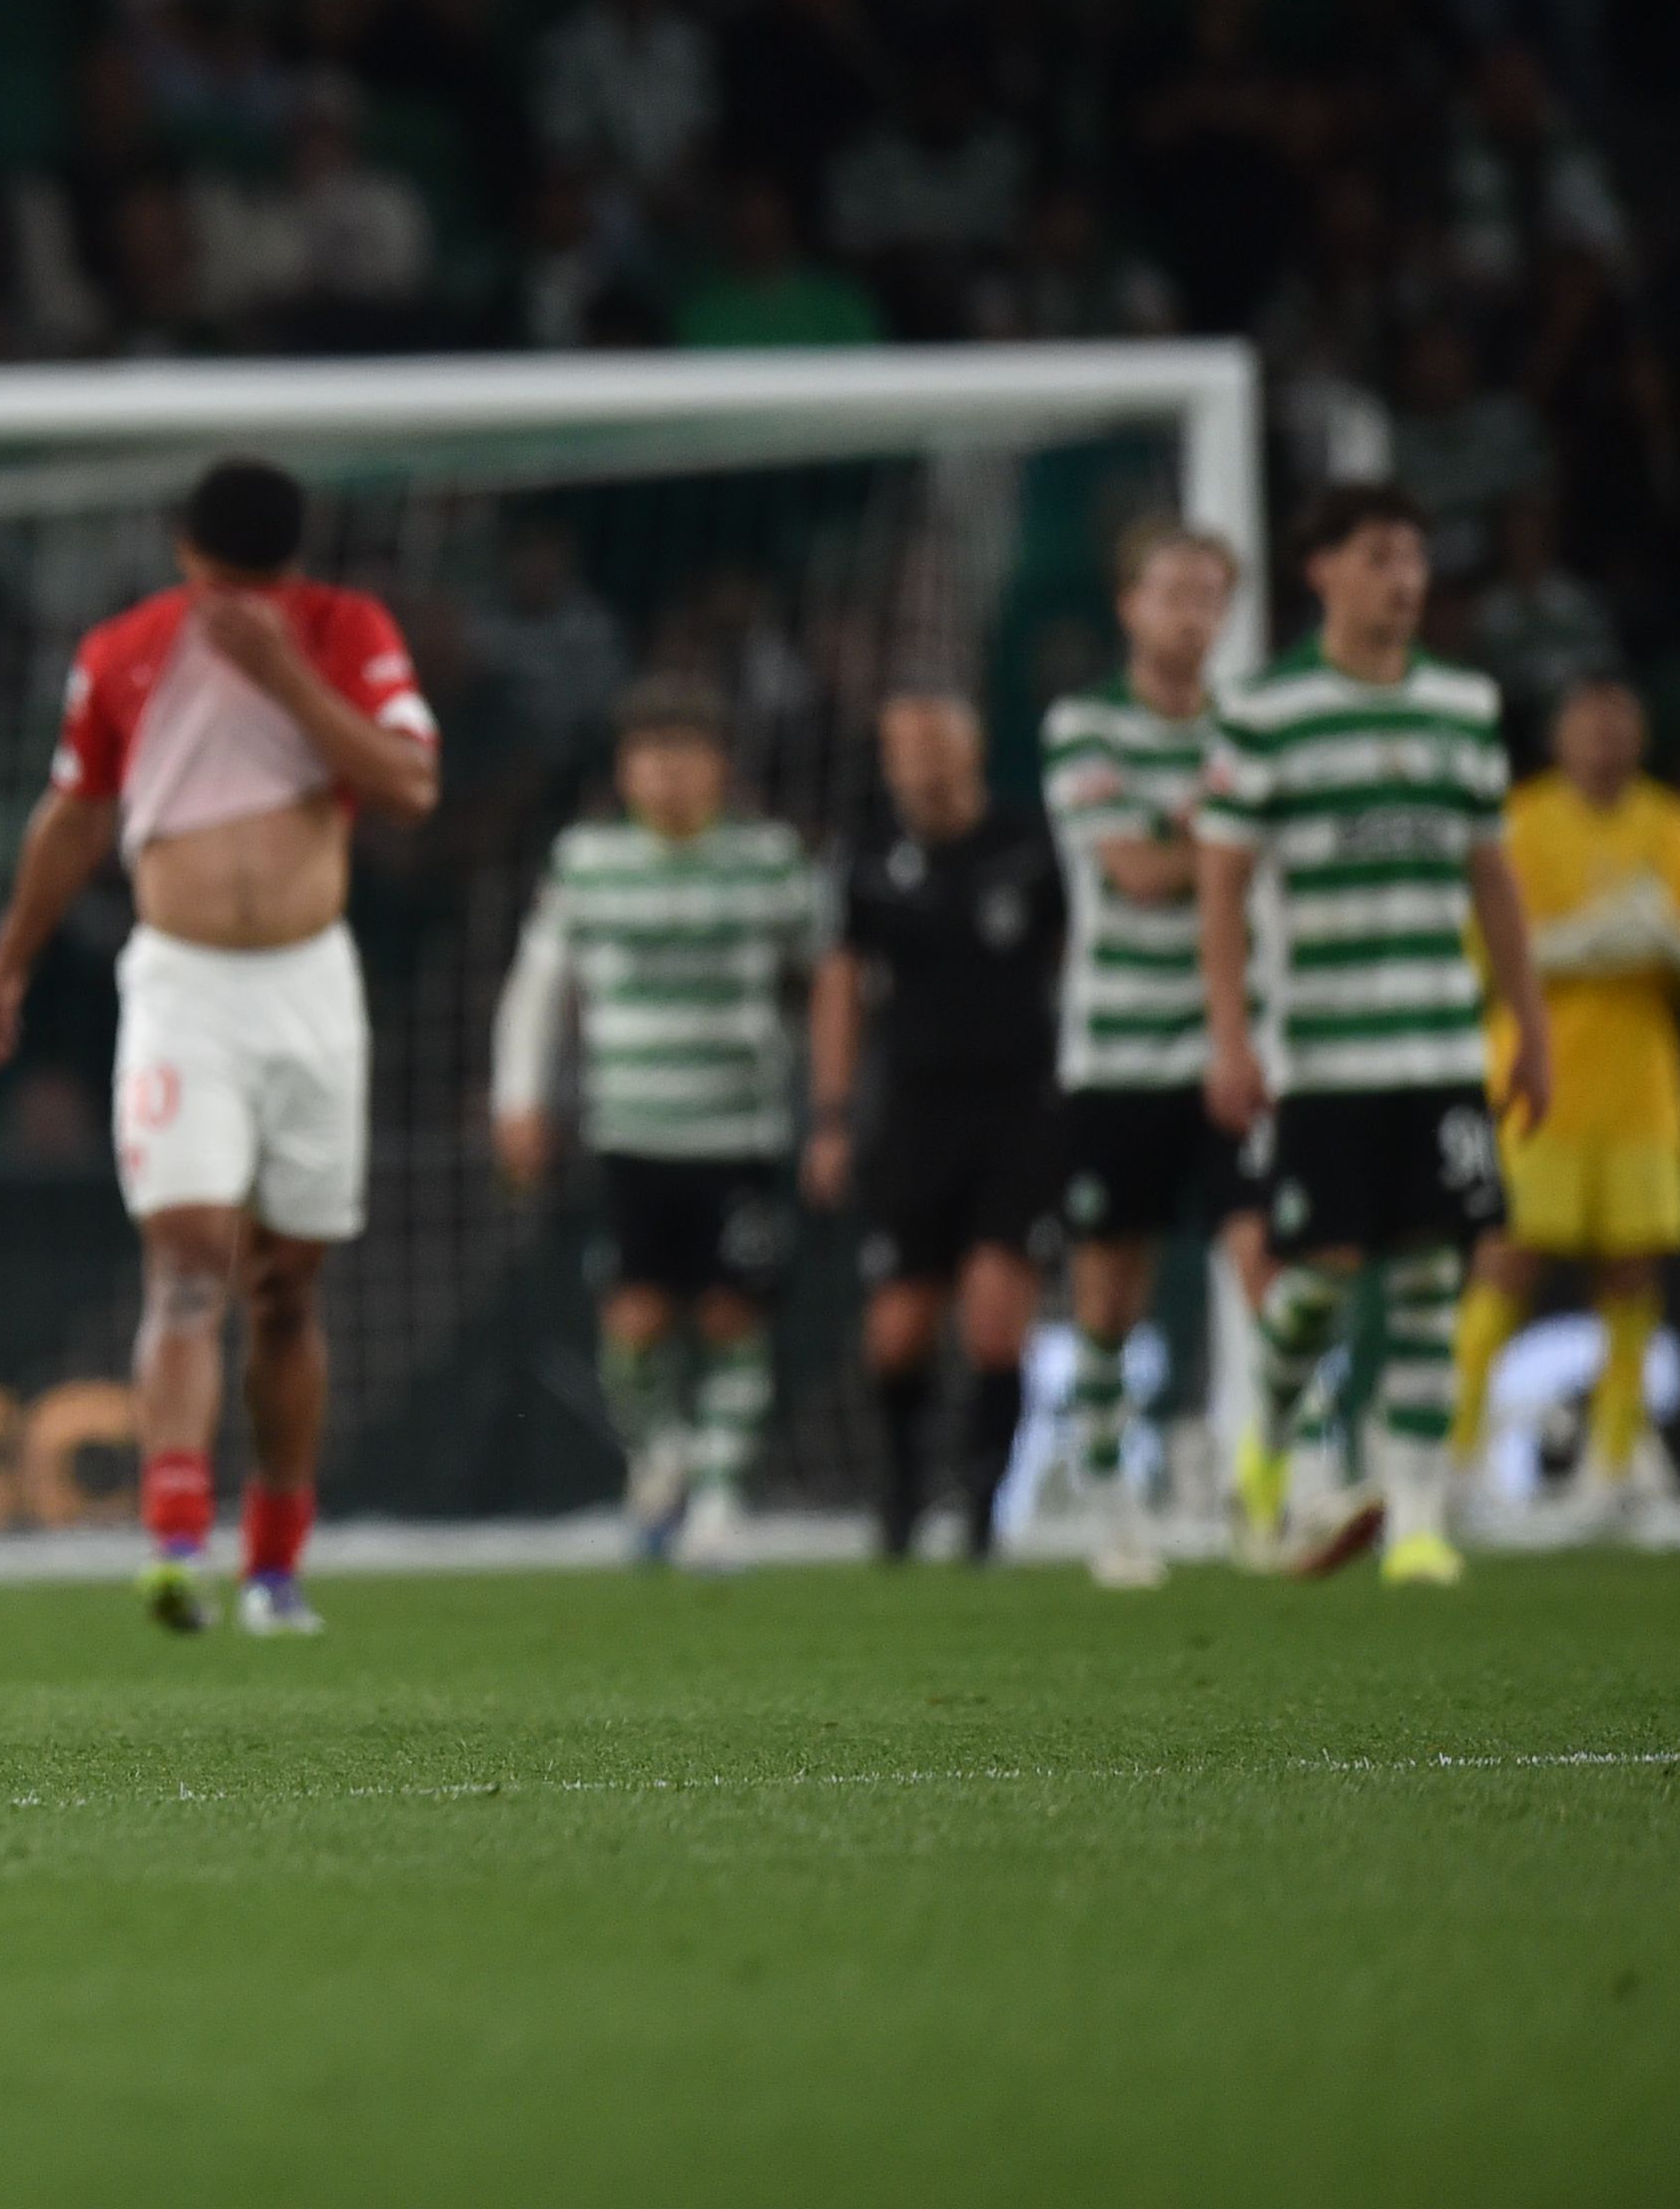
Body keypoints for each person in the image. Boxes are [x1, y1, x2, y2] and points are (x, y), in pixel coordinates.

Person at [0, 455, 440, 1635]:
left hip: (311, 986)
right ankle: (176, 1535)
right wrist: (6, 964)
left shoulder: (342, 630)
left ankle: (274, 1560)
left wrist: (286, 677)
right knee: (186, 1261)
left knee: (286, 1286)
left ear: (186, 539)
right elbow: (73, 815)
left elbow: (409, 788)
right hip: (184, 989)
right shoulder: (125, 650)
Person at [1198, 482, 1550, 1588]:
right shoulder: (1265, 707)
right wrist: (1229, 1033)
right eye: (1381, 556)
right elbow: (1220, 882)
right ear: (1324, 570)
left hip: (1441, 1043)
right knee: (1323, 1270)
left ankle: (1418, 1515)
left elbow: (1494, 876)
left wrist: (1529, 1024)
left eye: (1416, 557)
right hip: (1323, 1047)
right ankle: (1267, 1437)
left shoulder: (1464, 704)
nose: (1405, 578)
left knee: (1429, 1277)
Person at [492, 678, 818, 1570]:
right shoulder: (588, 862)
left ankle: (718, 1499)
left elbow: (825, 977)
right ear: (627, 772)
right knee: (633, 1321)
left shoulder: (771, 861)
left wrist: (827, 1100)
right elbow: (538, 987)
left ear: (720, 768)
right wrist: (519, 1099)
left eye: (687, 755)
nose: (670, 775)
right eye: (651, 757)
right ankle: (662, 1451)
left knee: (731, 1314)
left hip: (741, 1130)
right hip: (631, 1127)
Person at [1447, 672, 1680, 1534]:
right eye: (1589, 722)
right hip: (1537, 1091)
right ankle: (1454, 1464)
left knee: (1632, 1275)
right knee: (1505, 1263)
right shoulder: (1518, 824)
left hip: (1642, 1097)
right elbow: (1480, 962)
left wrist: (1672, 941)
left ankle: (1614, 1474)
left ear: (1639, 734)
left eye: (1620, 722)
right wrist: (1583, 943)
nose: (1605, 739)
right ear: (1561, 733)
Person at [810, 689, 1064, 1564]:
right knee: (899, 1328)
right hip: (912, 1113)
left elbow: (1075, 960)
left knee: (996, 1321)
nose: (919, 759)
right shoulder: (870, 857)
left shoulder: (1029, 847)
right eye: (902, 745)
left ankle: (986, 1507)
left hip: (1019, 1109)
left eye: (936, 741)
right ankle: (902, 1487)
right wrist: (832, 1116)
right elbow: (840, 984)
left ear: (975, 746)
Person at [1040, 523, 1248, 1586]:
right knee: (1112, 1287)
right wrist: (1226, 841)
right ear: (1129, 605)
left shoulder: (1250, 728)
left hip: (1235, 1040)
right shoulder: (1085, 725)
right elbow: (1136, 869)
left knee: (1270, 1256)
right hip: (1117, 1045)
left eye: (1208, 593)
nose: (1189, 610)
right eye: (1170, 590)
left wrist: (1202, 835)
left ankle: (1268, 1476)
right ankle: (1115, 1490)